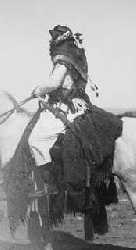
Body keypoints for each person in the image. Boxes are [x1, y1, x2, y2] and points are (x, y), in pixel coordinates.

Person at [28, 25, 93, 168]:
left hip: (68, 107)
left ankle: (50, 185)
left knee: (35, 140)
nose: (52, 40)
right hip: (76, 104)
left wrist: (37, 91)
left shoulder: (63, 61)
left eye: (54, 37)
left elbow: (54, 83)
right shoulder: (72, 58)